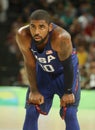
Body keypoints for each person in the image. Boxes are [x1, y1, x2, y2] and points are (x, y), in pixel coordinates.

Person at [16, 9, 81, 130]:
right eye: (33, 27)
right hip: (43, 72)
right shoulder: (23, 35)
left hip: (65, 73)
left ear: (50, 27)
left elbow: (68, 66)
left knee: (70, 114)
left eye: (41, 27)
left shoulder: (61, 37)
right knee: (31, 110)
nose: (36, 31)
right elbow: (30, 64)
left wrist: (68, 92)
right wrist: (34, 91)